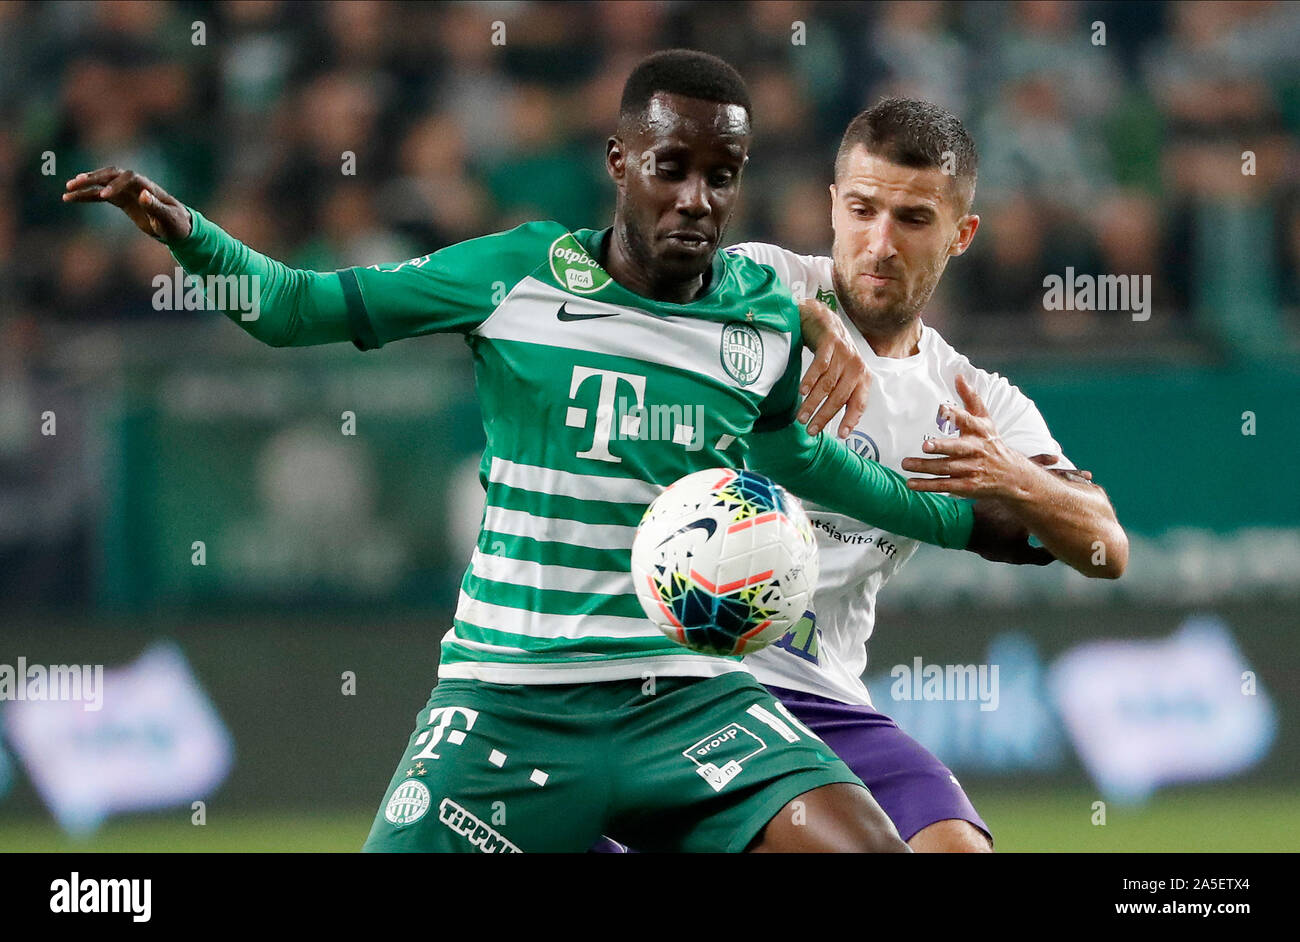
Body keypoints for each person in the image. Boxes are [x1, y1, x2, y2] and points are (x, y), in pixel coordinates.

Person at [64, 53, 1040, 853]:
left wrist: (965, 521)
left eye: (722, 175)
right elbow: (293, 309)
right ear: (620, 162)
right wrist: (191, 238)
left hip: (689, 704)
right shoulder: (515, 276)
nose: (697, 197)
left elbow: (813, 468)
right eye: (672, 167)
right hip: (508, 700)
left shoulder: (759, 320)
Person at [730, 97, 1129, 851]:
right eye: (862, 209)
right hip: (690, 667)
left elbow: (1107, 545)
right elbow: (658, 282)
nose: (879, 242)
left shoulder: (971, 398)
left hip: (820, 699)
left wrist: (1018, 479)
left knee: (956, 846)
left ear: (961, 235)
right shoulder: (761, 280)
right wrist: (811, 324)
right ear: (833, 207)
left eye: (912, 220)